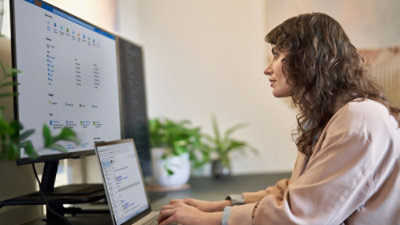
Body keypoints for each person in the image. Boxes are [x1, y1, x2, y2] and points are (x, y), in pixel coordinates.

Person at [157, 12, 400, 225]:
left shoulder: (359, 118)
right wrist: (219, 206)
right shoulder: (331, 116)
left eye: (276, 55)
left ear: (307, 59)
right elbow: (300, 189)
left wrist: (203, 219)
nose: (267, 68)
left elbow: (299, 215)